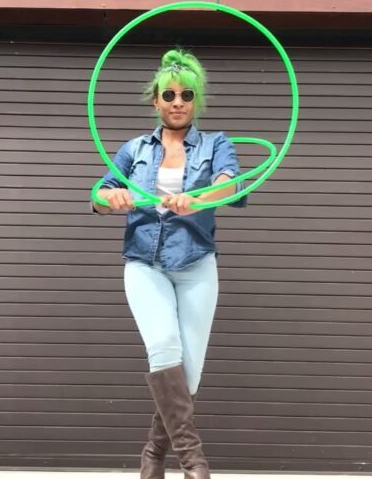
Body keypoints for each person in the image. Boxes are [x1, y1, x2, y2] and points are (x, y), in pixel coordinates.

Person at [91, 48, 247, 479]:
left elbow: (230, 184)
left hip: (196, 262)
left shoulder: (216, 144)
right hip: (145, 262)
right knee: (163, 346)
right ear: (156, 100)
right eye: (170, 94)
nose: (178, 102)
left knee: (188, 374)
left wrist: (197, 198)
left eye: (187, 94)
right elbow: (99, 194)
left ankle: (153, 457)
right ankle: (195, 463)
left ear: (196, 100)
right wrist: (112, 198)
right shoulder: (134, 149)